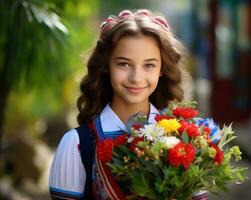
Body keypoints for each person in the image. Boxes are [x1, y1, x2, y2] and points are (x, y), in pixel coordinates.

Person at [49, 9, 207, 200]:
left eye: (149, 65)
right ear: (106, 65)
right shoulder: (76, 145)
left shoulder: (186, 142)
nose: (136, 78)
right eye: (124, 64)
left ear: (162, 69)